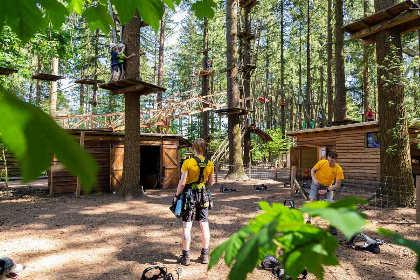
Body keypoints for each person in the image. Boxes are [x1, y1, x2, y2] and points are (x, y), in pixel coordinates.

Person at [174, 138, 215, 266]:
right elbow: (211, 183)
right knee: (204, 224)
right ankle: (205, 255)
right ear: (204, 148)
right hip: (203, 195)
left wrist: (176, 196)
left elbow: (182, 183)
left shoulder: (188, 162)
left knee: (187, 226)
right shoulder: (209, 163)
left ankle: (185, 256)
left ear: (193, 148)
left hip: (189, 196)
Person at [307, 152, 344, 232]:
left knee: (330, 204)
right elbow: (312, 170)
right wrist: (314, 179)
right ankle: (308, 221)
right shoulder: (322, 162)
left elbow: (336, 185)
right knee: (312, 201)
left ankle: (333, 225)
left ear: (336, 160)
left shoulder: (339, 169)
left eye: (332, 161)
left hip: (328, 186)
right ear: (327, 158)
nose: (330, 163)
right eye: (329, 160)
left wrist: (326, 191)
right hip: (316, 183)